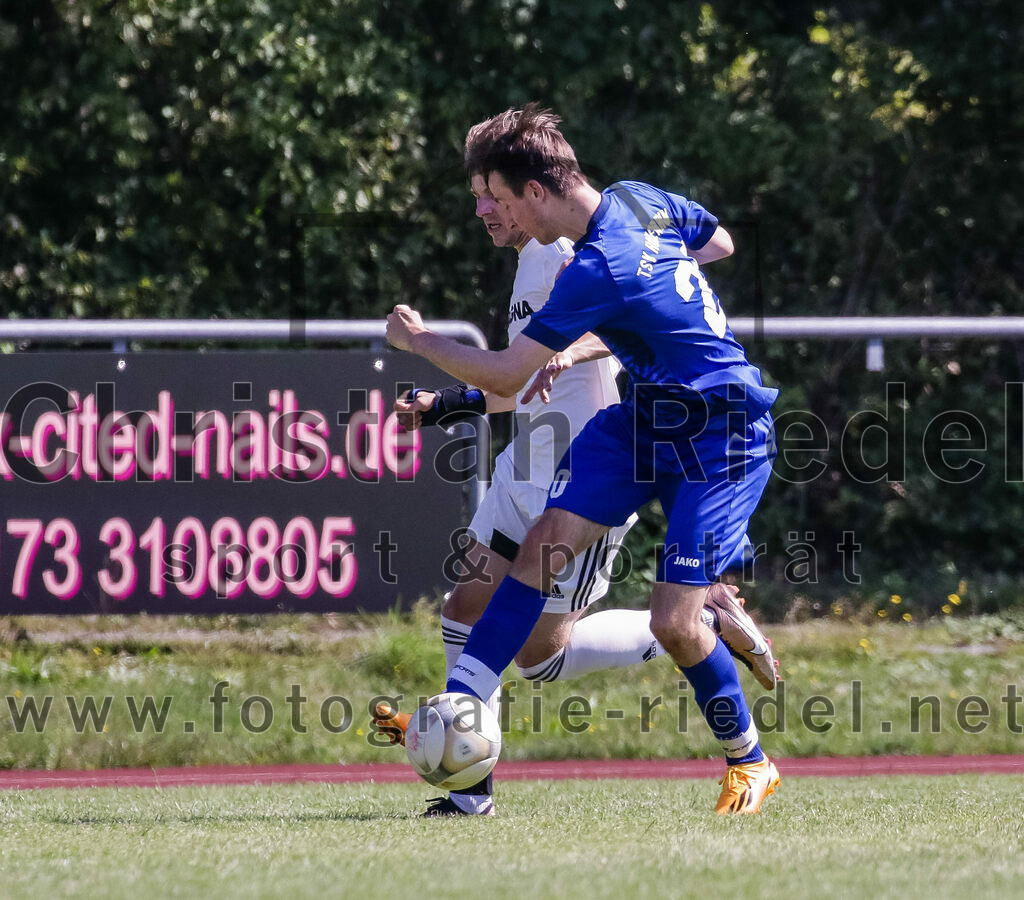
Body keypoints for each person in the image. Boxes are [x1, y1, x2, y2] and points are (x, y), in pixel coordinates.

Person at [383, 105, 780, 815]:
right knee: (543, 547)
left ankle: (750, 761)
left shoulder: (595, 264)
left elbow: (507, 376)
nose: (488, 210)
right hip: (641, 420)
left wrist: (418, 341)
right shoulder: (637, 199)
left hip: (722, 432)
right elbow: (717, 240)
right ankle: (464, 706)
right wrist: (659, 287)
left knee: (673, 624)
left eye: (496, 198)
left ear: (536, 192)